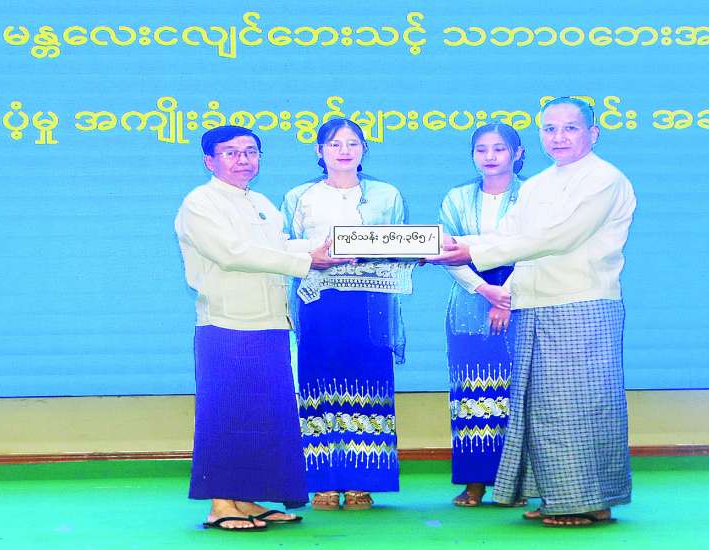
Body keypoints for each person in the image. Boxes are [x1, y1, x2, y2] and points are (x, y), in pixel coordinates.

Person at [428, 97, 636, 527]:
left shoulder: (605, 179)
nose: (559, 137)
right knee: (541, 409)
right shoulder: (538, 185)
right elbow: (506, 234)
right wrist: (449, 247)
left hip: (582, 303)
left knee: (582, 406)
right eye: (550, 129)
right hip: (534, 304)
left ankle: (586, 500)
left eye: (570, 128)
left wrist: (472, 252)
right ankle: (560, 496)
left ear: (592, 133)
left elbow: (559, 238)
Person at [175, 125, 346, 531]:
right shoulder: (200, 202)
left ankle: (245, 499)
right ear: (209, 161)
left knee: (263, 414)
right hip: (227, 324)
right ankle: (221, 504)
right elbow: (232, 254)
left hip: (270, 322)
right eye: (231, 153)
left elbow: (279, 247)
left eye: (251, 151)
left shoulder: (261, 202)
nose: (243, 160)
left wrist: (323, 248)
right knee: (227, 414)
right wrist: (307, 261)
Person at [281, 118, 409, 511]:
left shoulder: (387, 195)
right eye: (334, 144)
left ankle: (361, 481)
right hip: (319, 303)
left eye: (352, 143)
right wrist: (314, 256)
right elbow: (284, 248)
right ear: (319, 151)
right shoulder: (299, 196)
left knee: (369, 384)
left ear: (364, 149)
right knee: (319, 384)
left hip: (370, 304)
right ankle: (322, 482)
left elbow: (402, 244)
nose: (344, 150)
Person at [438, 123, 525, 507]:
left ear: (517, 154)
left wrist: (506, 297)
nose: (490, 157)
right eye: (481, 150)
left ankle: (516, 482)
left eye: (499, 149)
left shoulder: (533, 196)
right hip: (468, 304)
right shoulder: (456, 198)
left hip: (523, 301)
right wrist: (486, 290)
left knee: (517, 395)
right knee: (471, 394)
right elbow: (445, 251)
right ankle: (474, 482)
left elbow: (537, 250)